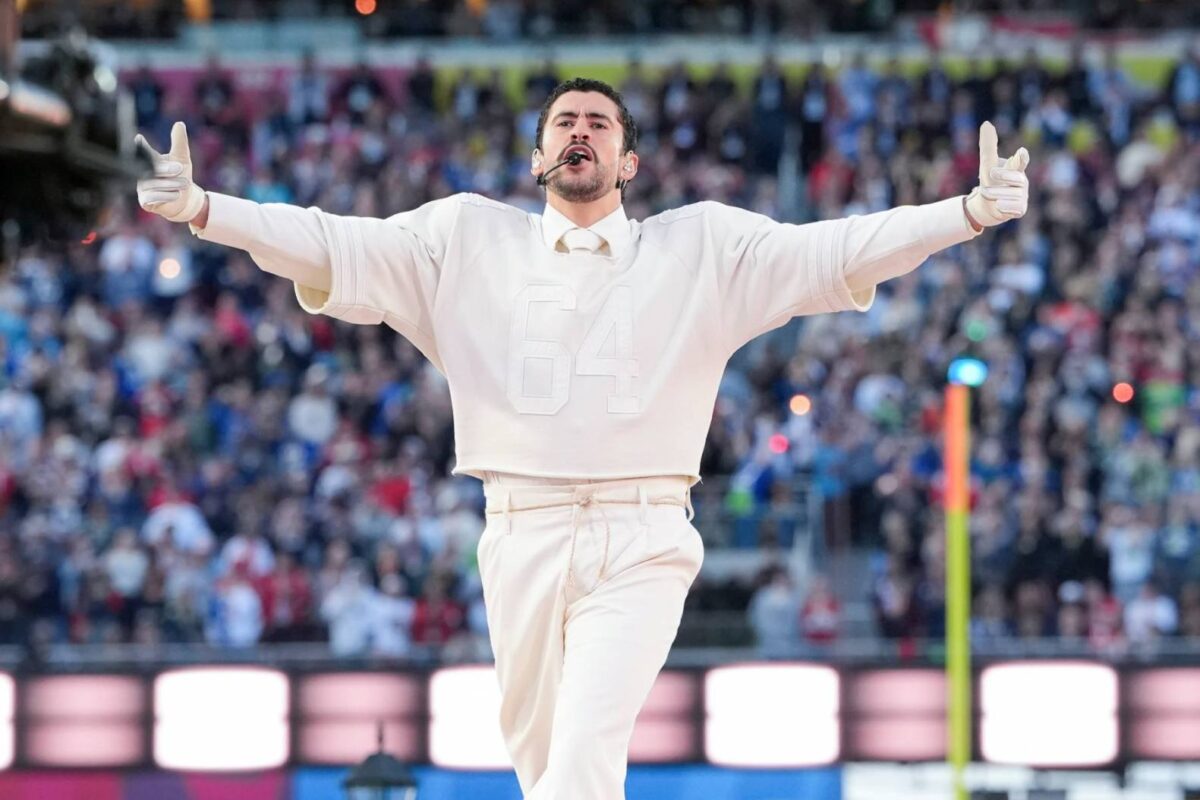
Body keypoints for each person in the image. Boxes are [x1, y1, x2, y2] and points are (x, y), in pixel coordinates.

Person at [135, 75, 1029, 800]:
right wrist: (207, 208)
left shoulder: (703, 248)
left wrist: (969, 213)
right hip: (517, 529)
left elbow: (839, 250)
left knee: (584, 761)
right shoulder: (462, 238)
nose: (581, 131)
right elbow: (330, 243)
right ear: (536, 156)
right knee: (544, 768)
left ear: (628, 160)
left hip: (643, 534)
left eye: (600, 123)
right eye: (565, 120)